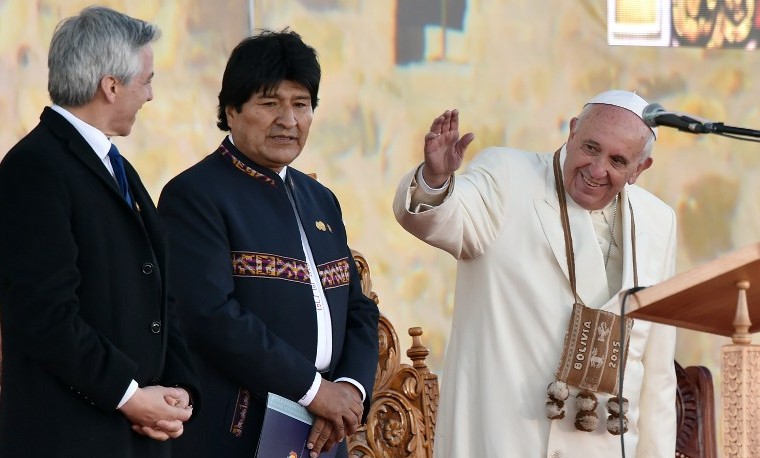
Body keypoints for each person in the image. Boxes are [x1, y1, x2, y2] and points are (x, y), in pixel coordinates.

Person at [392, 90, 678, 457]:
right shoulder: (509, 177)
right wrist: (434, 179)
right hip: (504, 442)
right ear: (572, 132)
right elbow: (439, 219)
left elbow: (657, 375)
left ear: (640, 169)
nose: (596, 170)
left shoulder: (659, 221)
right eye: (590, 148)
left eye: (618, 160)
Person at [157, 29, 380, 458]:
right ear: (231, 110)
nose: (289, 120)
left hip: (324, 429)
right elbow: (210, 315)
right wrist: (313, 390)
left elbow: (358, 307)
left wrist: (348, 392)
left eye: (301, 104)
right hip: (237, 432)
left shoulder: (320, 199)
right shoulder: (195, 195)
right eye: (269, 103)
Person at [0, 6, 199, 457]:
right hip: (72, 438)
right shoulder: (34, 168)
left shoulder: (118, 167)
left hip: (139, 437)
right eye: (146, 80)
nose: (150, 95)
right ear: (111, 86)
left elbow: (160, 294)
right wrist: (130, 397)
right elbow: (45, 315)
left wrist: (180, 389)